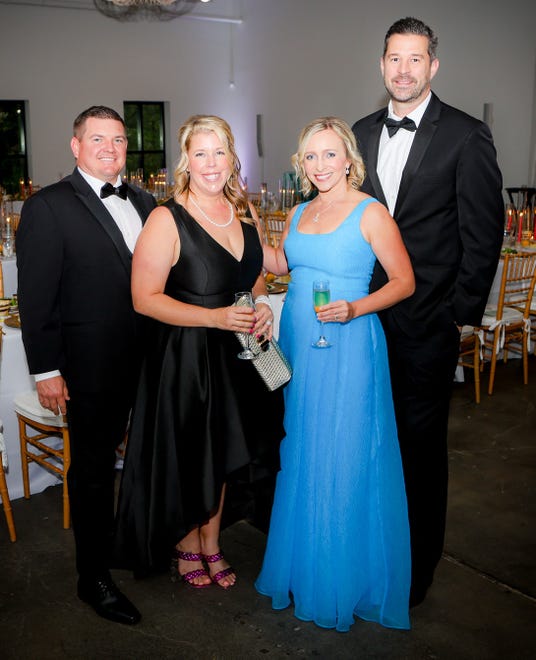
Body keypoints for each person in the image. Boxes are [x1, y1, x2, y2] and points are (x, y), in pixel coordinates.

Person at [352, 17, 504, 607]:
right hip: (364, 321)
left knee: (419, 448)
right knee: (368, 439)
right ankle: (373, 543)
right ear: (381, 64)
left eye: (416, 59)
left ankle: (417, 568)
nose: (405, 70)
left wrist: (456, 316)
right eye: (395, 58)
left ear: (433, 66)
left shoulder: (466, 136)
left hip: (426, 325)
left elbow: (483, 233)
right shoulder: (361, 132)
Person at [255, 117, 415, 632]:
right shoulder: (300, 210)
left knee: (343, 452)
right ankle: (307, 565)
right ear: (300, 164)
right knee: (301, 448)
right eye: (310, 156)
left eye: (329, 154)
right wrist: (246, 229)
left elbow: (405, 282)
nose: (320, 165)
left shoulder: (371, 213)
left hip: (349, 344)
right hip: (299, 345)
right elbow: (283, 264)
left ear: (349, 158)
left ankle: (343, 579)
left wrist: (355, 308)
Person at [114, 115, 284, 588]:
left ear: (233, 159)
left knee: (227, 447)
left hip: (241, 353)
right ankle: (188, 544)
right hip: (187, 357)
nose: (211, 163)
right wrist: (213, 317)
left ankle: (213, 542)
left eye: (220, 152)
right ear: (186, 160)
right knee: (192, 452)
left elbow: (252, 275)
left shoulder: (242, 211)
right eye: (200, 153)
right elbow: (143, 298)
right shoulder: (166, 218)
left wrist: (264, 304)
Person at [16, 106, 157, 624]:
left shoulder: (144, 200)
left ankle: (134, 547)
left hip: (148, 358)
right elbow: (35, 297)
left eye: (118, 140)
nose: (110, 148)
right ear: (76, 146)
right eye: (97, 139)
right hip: (88, 367)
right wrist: (46, 370)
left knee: (143, 457)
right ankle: (92, 579)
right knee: (94, 473)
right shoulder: (47, 206)